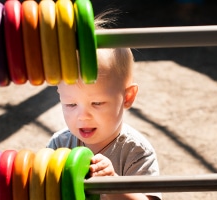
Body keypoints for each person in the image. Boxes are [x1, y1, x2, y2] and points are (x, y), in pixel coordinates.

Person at [46, 16, 161, 200]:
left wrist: (113, 184)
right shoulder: (59, 145)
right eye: (71, 104)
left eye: (97, 103)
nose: (83, 116)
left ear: (127, 97)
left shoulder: (136, 151)